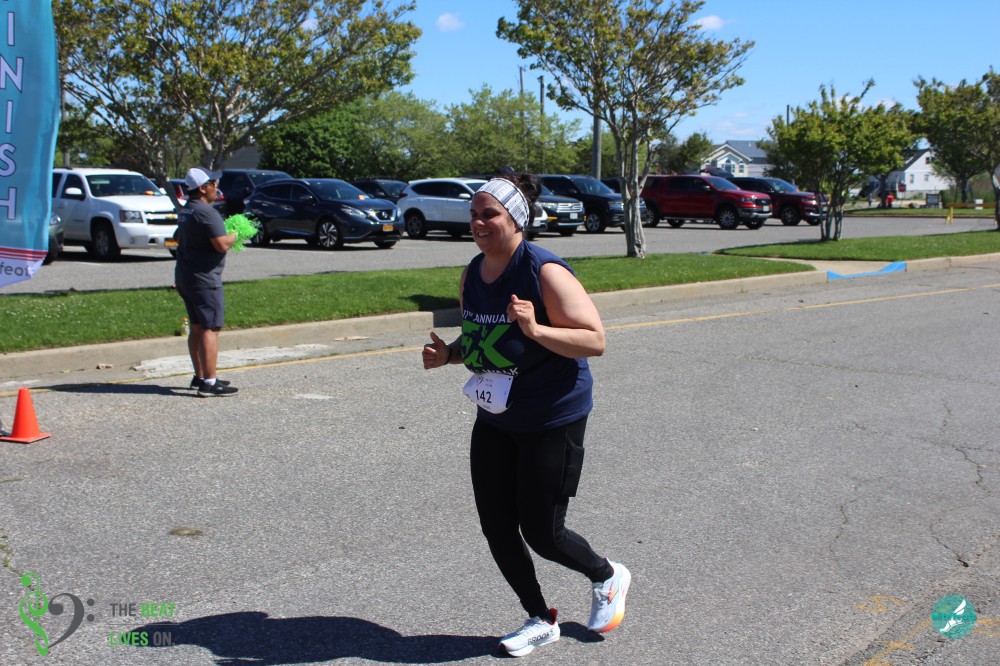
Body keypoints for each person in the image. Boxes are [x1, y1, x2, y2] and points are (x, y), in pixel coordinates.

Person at [421, 172, 630, 657]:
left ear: (516, 219)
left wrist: (536, 329)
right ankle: (539, 618)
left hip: (552, 415)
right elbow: (482, 337)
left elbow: (594, 340)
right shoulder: (473, 272)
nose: (478, 223)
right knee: (496, 525)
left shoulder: (544, 271)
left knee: (542, 532)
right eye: (474, 214)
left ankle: (606, 575)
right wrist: (449, 354)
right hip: (496, 415)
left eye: (489, 214)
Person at [175, 166, 238, 397]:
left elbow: (178, 237)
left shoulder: (186, 211)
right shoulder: (206, 212)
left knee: (197, 327)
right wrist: (237, 233)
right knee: (211, 328)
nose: (216, 188)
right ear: (203, 188)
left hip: (186, 276)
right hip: (204, 279)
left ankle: (200, 375)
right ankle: (210, 383)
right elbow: (221, 244)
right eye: (213, 184)